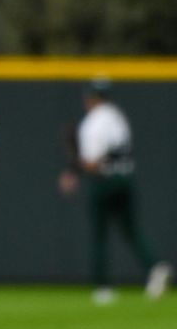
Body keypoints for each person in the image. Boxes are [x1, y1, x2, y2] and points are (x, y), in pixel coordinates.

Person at [59, 79, 172, 305]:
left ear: (91, 98)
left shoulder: (93, 122)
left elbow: (92, 163)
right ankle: (155, 266)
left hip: (105, 181)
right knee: (131, 230)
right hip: (125, 178)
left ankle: (103, 288)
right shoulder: (117, 116)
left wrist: (74, 167)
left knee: (100, 234)